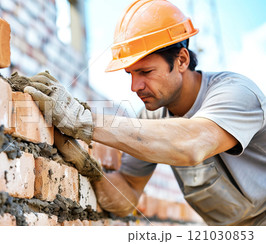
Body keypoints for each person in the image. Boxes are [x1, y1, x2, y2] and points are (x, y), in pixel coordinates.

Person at [24, 0, 266, 226]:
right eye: (131, 74)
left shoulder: (236, 92)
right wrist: (88, 167)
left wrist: (82, 120)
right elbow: (126, 196)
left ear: (181, 60)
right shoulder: (150, 117)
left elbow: (193, 143)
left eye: (146, 72)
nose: (135, 87)